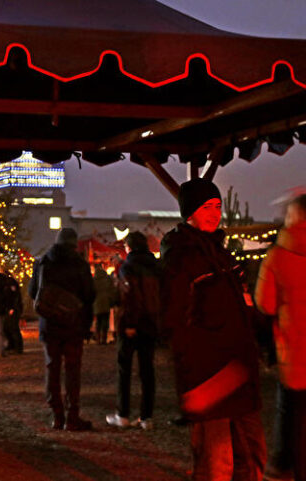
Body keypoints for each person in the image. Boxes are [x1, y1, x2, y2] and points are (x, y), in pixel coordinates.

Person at [161, 178, 265, 481]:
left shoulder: (221, 255)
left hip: (240, 369)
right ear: (190, 211)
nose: (215, 213)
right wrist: (191, 375)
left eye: (218, 206)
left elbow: (243, 306)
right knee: (218, 464)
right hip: (210, 377)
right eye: (207, 207)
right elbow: (175, 321)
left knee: (252, 456)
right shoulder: (182, 257)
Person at [255, 193, 306, 481]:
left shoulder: (277, 255)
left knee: (289, 409)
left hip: (293, 347)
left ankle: (284, 463)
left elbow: (266, 304)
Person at [28, 227, 95, 431]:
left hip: (49, 324)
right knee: (72, 371)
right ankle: (72, 415)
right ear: (74, 244)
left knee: (52, 368)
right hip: (73, 325)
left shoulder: (42, 262)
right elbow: (90, 295)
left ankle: (57, 415)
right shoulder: (80, 264)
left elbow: (33, 292)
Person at [106, 231, 159, 430]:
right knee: (147, 371)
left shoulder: (128, 267)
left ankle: (123, 414)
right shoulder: (156, 267)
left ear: (129, 247)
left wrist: (129, 323)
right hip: (151, 324)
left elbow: (129, 297)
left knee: (124, 370)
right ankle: (147, 416)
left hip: (132, 325)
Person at [92, 263, 116, 344]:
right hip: (106, 302)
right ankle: (104, 339)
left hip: (96, 303)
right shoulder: (107, 279)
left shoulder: (93, 280)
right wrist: (112, 301)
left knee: (98, 322)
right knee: (105, 322)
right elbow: (112, 290)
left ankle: (98, 340)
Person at [2, 272, 24, 354]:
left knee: (13, 328)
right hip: (11, 308)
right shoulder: (10, 283)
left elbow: (14, 297)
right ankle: (12, 345)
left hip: (12, 309)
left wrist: (12, 308)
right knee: (8, 328)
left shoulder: (9, 284)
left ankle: (17, 347)